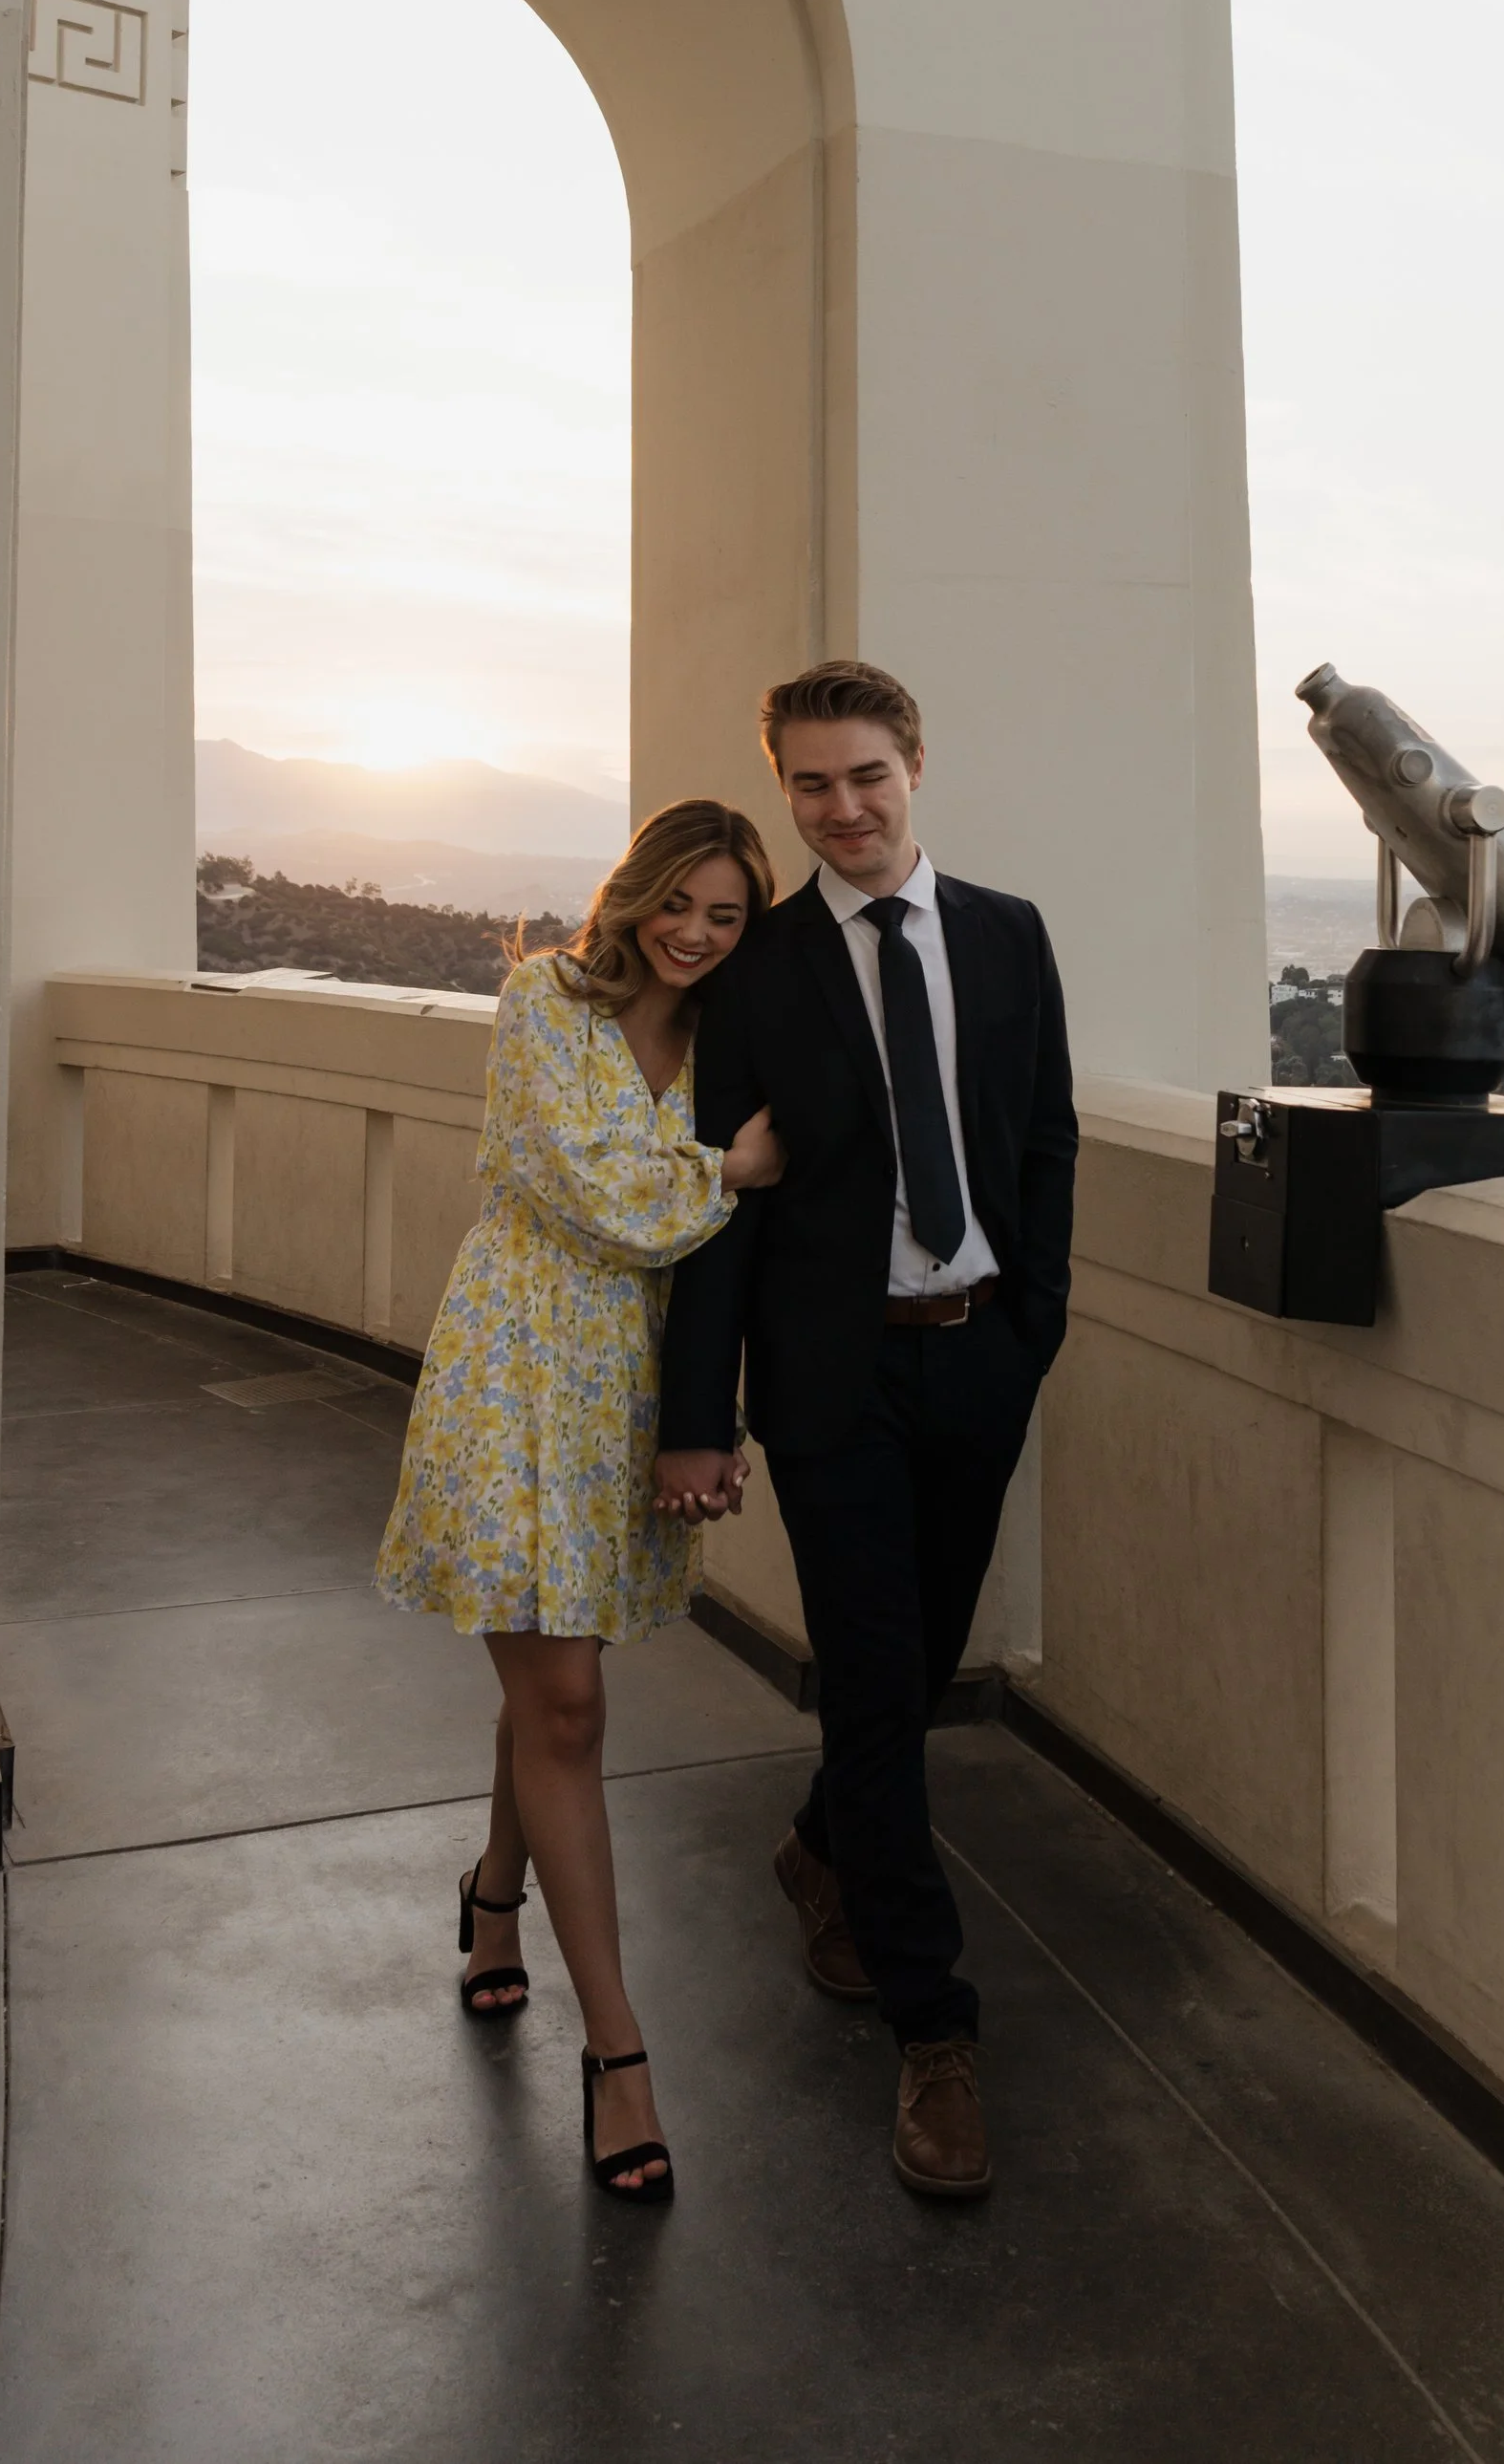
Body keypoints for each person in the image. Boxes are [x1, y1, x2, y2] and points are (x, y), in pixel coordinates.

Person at [655, 661, 1077, 2201]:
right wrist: (698, 1417)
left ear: (916, 764)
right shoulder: (757, 970)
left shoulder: (1008, 933)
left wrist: (1033, 1326)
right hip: (833, 1382)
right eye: (812, 784)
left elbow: (1045, 1137)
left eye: (867, 775)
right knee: (879, 1677)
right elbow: (726, 1209)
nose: (843, 809)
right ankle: (933, 2027)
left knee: (916, 1663)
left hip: (979, 1359)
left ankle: (822, 1840)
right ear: (786, 789)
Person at [376, 799, 785, 2204]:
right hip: (514, 1368)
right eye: (678, 902)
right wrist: (727, 1170)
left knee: (553, 1681)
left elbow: (716, 1248)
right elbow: (593, 1190)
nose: (695, 933)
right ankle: (620, 2054)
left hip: (628, 1389)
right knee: (565, 1702)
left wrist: (708, 1414)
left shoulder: (729, 1042)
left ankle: (495, 1897)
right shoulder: (543, 1001)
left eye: (726, 916)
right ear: (633, 892)